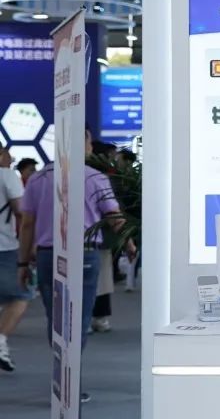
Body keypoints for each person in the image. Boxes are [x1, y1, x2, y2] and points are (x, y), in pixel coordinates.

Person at [17, 128, 136, 398]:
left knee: (55, 318)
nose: (91, 148)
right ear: (83, 144)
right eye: (89, 142)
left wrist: (23, 263)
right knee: (79, 320)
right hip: (85, 255)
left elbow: (27, 225)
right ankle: (69, 382)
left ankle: (62, 377)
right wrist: (129, 243)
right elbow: (114, 217)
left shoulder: (38, 179)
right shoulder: (94, 178)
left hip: (48, 255)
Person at [0, 146, 27, 371]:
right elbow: (21, 211)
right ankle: (0, 342)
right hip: (4, 246)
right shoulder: (6, 176)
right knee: (20, 295)